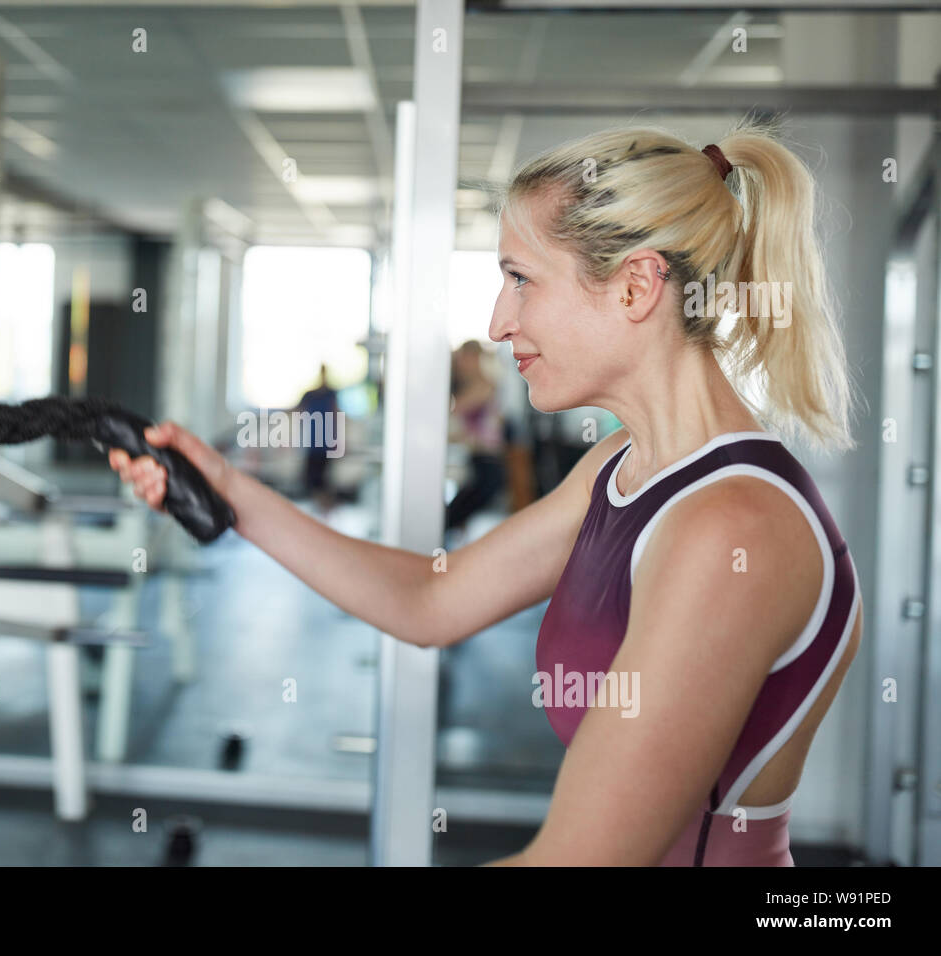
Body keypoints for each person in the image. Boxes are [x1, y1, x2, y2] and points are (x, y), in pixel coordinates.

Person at [107, 118, 865, 866]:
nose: (499, 323)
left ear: (636, 286)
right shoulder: (621, 468)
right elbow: (431, 601)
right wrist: (229, 489)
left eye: (520, 279)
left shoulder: (733, 527)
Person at [445, 341, 505, 540]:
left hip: (488, 464)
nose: (461, 364)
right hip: (476, 460)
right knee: (454, 516)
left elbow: (454, 411)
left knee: (450, 516)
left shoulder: (485, 385)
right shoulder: (472, 386)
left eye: (464, 358)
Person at [294, 364, 339, 513]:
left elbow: (335, 415)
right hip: (312, 444)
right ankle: (320, 510)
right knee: (311, 480)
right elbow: (297, 412)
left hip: (326, 444)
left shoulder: (331, 394)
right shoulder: (310, 395)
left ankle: (326, 511)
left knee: (322, 481)